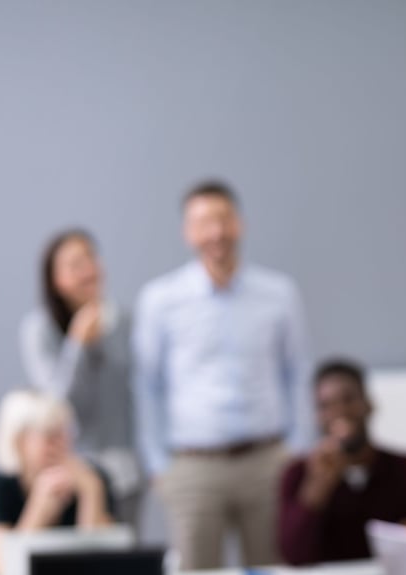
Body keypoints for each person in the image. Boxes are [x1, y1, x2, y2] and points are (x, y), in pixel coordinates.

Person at [135, 180, 314, 570]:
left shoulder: (279, 293)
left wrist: (298, 449)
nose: (216, 232)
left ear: (240, 224)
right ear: (188, 232)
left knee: (273, 568)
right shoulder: (161, 299)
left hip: (268, 462)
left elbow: (297, 372)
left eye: (223, 219)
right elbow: (148, 385)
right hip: (193, 465)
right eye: (203, 223)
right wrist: (157, 464)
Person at [279, 359, 406, 565]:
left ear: (369, 405)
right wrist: (316, 488)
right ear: (316, 416)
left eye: (348, 399)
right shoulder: (298, 474)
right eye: (325, 405)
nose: (339, 411)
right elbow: (293, 557)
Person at [19, 229, 140, 528]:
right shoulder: (40, 330)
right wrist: (77, 344)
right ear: (55, 279)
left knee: (124, 548)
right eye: (75, 265)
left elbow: (139, 394)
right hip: (71, 471)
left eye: (91, 259)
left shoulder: (125, 323)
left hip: (126, 469)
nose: (88, 270)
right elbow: (56, 404)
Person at [0, 389, 114, 575]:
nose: (60, 444)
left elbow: (104, 560)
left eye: (64, 433)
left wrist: (91, 492)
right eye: (49, 435)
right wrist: (39, 510)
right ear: (20, 442)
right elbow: (5, 568)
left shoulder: (93, 479)